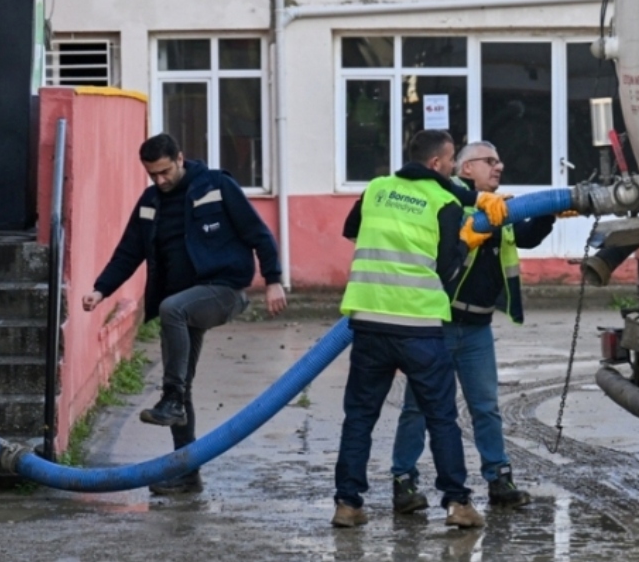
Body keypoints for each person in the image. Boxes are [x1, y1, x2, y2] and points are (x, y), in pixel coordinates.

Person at [82, 133, 286, 494]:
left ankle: (171, 398)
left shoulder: (216, 186)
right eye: (152, 175)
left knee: (171, 311)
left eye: (164, 172)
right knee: (182, 377)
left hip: (224, 291)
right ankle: (187, 472)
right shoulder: (150, 203)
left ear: (180, 158)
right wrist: (100, 289)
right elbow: (128, 253)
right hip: (183, 303)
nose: (160, 181)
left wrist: (273, 280)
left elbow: (258, 233)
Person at [333, 129, 506, 530]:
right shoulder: (443, 201)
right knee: (441, 417)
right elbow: (447, 268)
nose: (453, 171)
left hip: (370, 322)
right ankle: (458, 504)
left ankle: (347, 504)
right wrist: (467, 241)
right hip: (420, 326)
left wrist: (478, 198)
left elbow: (351, 229)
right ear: (437, 164)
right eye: (450, 163)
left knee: (359, 417)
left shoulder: (377, 188)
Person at [390, 141, 554, 514]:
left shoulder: (502, 209)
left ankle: (499, 479)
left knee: (486, 407)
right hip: (438, 326)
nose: (499, 166)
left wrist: (550, 211)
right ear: (465, 169)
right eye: (489, 161)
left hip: (477, 329)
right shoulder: (451, 204)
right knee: (418, 407)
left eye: (500, 160)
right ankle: (403, 480)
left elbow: (525, 236)